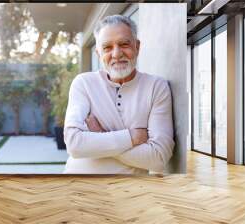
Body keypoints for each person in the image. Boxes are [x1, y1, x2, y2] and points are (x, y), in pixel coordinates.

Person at [63, 15, 174, 174]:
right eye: (107, 47)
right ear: (98, 53)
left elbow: (158, 158)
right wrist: (131, 138)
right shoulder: (83, 84)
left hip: (129, 192)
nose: (116, 54)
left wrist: (100, 136)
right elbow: (74, 144)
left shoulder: (156, 87)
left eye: (124, 44)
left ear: (137, 46)